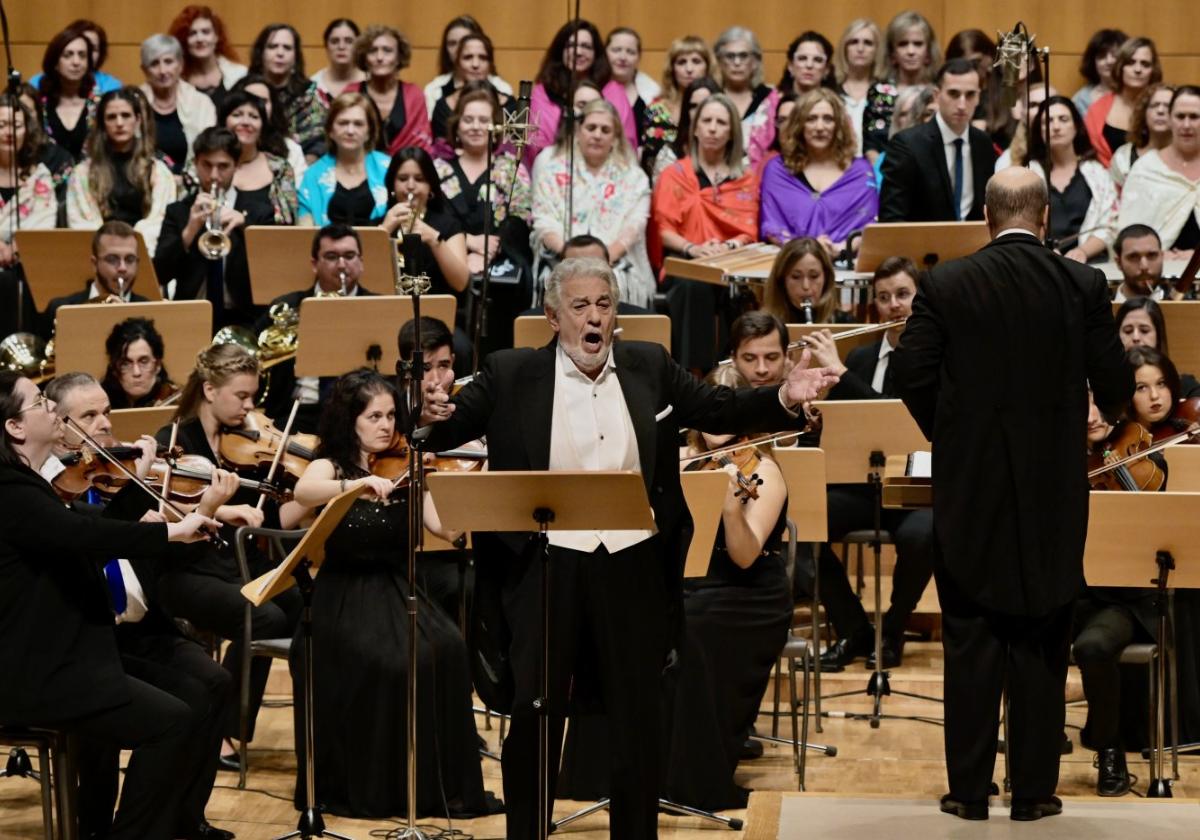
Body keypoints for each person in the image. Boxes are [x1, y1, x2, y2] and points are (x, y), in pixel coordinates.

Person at [418, 256, 839, 839]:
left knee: (637, 720)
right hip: (546, 568)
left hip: (633, 567)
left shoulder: (649, 366)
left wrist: (787, 397)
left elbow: (720, 408)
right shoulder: (511, 372)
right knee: (535, 715)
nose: (594, 318)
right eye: (580, 306)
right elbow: (439, 429)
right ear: (553, 316)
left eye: (605, 304)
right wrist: (424, 409)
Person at [891, 167, 1132, 821]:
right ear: (1047, 216)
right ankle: (1033, 792)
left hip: (970, 488)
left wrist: (954, 431)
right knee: (1042, 635)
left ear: (988, 219)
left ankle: (968, 793)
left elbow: (907, 370)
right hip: (1054, 487)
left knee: (970, 636)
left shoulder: (947, 282)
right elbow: (1115, 379)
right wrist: (1103, 415)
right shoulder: (1081, 283)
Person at [559, 360, 794, 810]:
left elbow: (745, 556)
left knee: (688, 635)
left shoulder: (765, 472)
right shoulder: (684, 457)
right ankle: (612, 772)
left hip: (746, 594)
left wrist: (727, 505)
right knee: (619, 629)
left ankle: (686, 778)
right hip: (690, 583)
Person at [0, 371, 218, 840]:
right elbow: (82, 535)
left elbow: (88, 529)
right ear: (15, 427)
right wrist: (169, 531)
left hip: (72, 658)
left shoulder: (27, 486)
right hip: (40, 672)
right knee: (172, 723)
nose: (51, 407)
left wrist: (158, 511)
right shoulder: (9, 490)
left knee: (189, 703)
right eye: (39, 401)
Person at [286, 368, 495, 818]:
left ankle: (425, 785)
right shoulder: (331, 464)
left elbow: (444, 527)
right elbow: (304, 491)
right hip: (343, 597)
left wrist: (479, 492)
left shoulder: (409, 466)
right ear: (350, 421)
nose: (386, 426)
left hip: (398, 587)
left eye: (390, 416)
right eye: (374, 416)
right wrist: (356, 484)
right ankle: (376, 786)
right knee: (395, 662)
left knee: (450, 649)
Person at [154, 342, 303, 773]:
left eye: (253, 396)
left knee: (303, 603)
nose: (249, 406)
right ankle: (222, 728)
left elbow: (273, 514)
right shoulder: (176, 441)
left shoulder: (245, 444)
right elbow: (163, 506)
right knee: (265, 617)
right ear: (209, 390)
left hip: (237, 565)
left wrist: (314, 495)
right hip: (185, 570)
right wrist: (221, 508)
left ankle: (319, 725)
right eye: (241, 396)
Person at [794, 257, 935, 669]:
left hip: (913, 487)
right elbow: (847, 430)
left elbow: (899, 422)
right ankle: (855, 630)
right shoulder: (861, 359)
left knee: (923, 537)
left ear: (920, 298)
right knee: (801, 526)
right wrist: (818, 419)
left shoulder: (934, 359)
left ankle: (892, 630)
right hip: (860, 484)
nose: (894, 305)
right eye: (884, 297)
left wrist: (838, 371)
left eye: (903, 295)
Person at [1075, 391, 1158, 797]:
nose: (1090, 416)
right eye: (1079, 403)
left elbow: (1153, 533)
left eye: (1097, 404)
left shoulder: (1144, 455)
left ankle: (1111, 751)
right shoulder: (1057, 460)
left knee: (1093, 647)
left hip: (1121, 598)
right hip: (1068, 588)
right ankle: (1031, 746)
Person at [653, 92, 759, 373]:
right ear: (695, 128)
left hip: (732, 266)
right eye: (707, 121)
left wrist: (729, 248)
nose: (713, 128)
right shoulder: (673, 174)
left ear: (732, 131)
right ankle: (695, 377)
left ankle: (735, 373)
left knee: (740, 292)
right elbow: (663, 230)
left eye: (721, 122)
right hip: (685, 264)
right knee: (695, 286)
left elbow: (749, 230)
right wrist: (694, 249)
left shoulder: (745, 179)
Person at [434, 84, 533, 354]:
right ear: (457, 125)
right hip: (446, 265)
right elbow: (432, 218)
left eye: (484, 120)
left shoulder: (511, 168)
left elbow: (520, 218)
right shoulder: (437, 168)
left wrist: (489, 253)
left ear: (497, 127)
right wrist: (466, 245)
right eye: (468, 119)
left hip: (501, 270)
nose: (476, 127)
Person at [253, 224, 377, 432]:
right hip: (298, 411)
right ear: (314, 264)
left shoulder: (380, 307)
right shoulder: (286, 307)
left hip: (361, 412)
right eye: (331, 256)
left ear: (361, 262)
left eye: (349, 255)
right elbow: (254, 354)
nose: (341, 264)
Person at [531, 98, 654, 308]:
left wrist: (602, 260)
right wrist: (572, 256)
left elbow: (635, 226)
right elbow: (544, 221)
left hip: (615, 262)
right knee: (559, 281)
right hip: (562, 259)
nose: (597, 135)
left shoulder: (635, 178)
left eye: (605, 130)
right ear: (578, 132)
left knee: (614, 281)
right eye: (591, 128)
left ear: (615, 138)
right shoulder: (552, 171)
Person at [154, 127, 261, 327]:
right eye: (207, 165)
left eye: (223, 166)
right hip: (191, 317)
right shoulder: (178, 212)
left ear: (236, 165)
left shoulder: (257, 212)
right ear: (195, 163)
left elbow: (270, 271)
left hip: (244, 318)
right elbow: (160, 272)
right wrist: (189, 231)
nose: (214, 176)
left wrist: (246, 228)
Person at [760, 88, 878, 255]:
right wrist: (808, 251)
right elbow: (771, 226)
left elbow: (869, 226)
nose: (820, 127)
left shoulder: (860, 171)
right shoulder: (777, 169)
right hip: (791, 265)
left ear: (839, 125)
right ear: (799, 124)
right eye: (811, 119)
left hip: (846, 266)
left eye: (828, 119)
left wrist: (838, 249)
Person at [880, 58, 996, 222]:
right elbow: (891, 218)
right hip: (922, 245)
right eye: (953, 94)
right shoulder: (907, 145)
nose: (962, 104)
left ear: (978, 97)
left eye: (970, 95)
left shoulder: (983, 143)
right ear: (937, 95)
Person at [66, 87, 178, 255]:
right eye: (111, 117)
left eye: (126, 115)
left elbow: (160, 222)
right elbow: (80, 223)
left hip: (145, 255)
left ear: (138, 120)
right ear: (103, 124)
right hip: (99, 256)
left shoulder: (158, 171)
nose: (119, 123)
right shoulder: (82, 173)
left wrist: (130, 248)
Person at [525, 20, 638, 169]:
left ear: (595, 53)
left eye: (586, 46)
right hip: (553, 171)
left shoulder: (613, 91)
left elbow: (626, 144)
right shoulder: (542, 92)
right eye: (571, 45)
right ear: (560, 51)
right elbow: (534, 144)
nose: (578, 52)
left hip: (607, 172)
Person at [1026, 96, 1117, 262]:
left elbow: (1110, 225)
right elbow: (1020, 224)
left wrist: (1082, 251)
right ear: (1040, 131)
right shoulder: (1029, 174)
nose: (1056, 127)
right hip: (1042, 263)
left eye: (1063, 119)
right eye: (1048, 121)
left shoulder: (1097, 173)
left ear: (1076, 126)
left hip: (1092, 263)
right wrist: (1045, 250)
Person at [1118, 86, 1200, 258]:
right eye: (1180, 116)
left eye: (1194, 117)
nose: (1186, 125)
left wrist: (1194, 258)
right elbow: (1129, 233)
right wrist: (1156, 255)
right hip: (1155, 272)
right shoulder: (1146, 168)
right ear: (1169, 119)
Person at [0, 93, 58, 336]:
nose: (9, 132)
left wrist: (15, 246)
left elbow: (44, 221)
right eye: (1, 125)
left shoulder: (40, 175)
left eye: (17, 125)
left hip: (27, 262)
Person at [42, 221, 150, 339]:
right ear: (94, 264)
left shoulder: (151, 312)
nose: (122, 268)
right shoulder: (61, 309)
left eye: (130, 259)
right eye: (112, 259)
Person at [297, 92, 390, 227]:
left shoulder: (389, 168)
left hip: (381, 247)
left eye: (358, 124)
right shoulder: (312, 176)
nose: (350, 131)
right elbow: (304, 236)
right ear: (330, 130)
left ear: (369, 131)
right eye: (343, 123)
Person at [747, 32, 836, 170]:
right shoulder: (772, 103)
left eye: (818, 60)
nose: (809, 65)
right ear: (790, 66)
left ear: (827, 70)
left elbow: (845, 148)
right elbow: (756, 154)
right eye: (802, 58)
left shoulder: (836, 106)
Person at [862, 11, 941, 162]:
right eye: (903, 44)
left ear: (928, 51)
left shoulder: (939, 91)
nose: (911, 51)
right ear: (892, 53)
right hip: (887, 172)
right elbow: (870, 147)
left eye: (918, 44)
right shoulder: (879, 92)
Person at [343, 24, 432, 154]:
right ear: (364, 58)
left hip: (404, 170)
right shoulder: (351, 92)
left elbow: (421, 146)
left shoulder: (414, 95)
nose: (379, 57)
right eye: (372, 51)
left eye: (387, 51)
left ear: (399, 58)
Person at [217, 90, 299, 225]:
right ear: (223, 122)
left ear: (263, 127)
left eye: (254, 117)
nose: (245, 122)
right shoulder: (206, 162)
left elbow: (289, 222)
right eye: (237, 115)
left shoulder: (280, 168)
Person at [139, 34, 217, 176]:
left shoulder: (201, 104)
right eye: (154, 64)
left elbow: (209, 153)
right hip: (143, 184)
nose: (162, 71)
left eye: (168, 62)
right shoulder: (134, 102)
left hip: (190, 184)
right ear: (144, 70)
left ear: (180, 65)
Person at [247, 23, 326, 160]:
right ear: (261, 53)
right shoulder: (245, 91)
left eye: (287, 48)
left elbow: (317, 143)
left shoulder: (309, 95)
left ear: (296, 57)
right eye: (273, 47)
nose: (280, 53)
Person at [639, 35, 715, 175]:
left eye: (696, 61)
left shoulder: (718, 109)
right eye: (681, 62)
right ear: (672, 69)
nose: (689, 68)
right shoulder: (654, 110)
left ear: (708, 67)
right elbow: (645, 157)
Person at [1085, 37, 1162, 168]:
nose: (1138, 69)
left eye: (1145, 64)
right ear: (1120, 67)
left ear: (1153, 71)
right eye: (1131, 62)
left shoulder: (1163, 107)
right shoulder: (1097, 109)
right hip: (1107, 181)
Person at [429, 32, 514, 149]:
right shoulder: (443, 106)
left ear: (490, 64)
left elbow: (513, 150)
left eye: (483, 58)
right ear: (457, 62)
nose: (475, 64)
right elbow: (440, 151)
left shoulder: (509, 105)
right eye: (468, 57)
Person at [35, 22, 106, 161]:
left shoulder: (100, 104)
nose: (76, 62)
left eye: (82, 55)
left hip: (90, 179)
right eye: (68, 55)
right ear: (55, 62)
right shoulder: (38, 104)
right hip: (46, 178)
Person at [1115, 296, 1200, 396]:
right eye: (1128, 331)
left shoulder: (1186, 388)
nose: (1136, 337)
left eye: (1144, 330)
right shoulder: (1102, 387)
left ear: (1158, 337)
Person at [230, 73, 307, 181]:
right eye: (249, 99)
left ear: (273, 106)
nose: (256, 107)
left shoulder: (291, 149)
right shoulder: (217, 146)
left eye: (263, 101)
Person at [761, 236, 855, 325]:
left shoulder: (844, 323)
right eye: (796, 277)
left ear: (826, 278)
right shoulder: (764, 328)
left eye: (814, 276)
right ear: (781, 280)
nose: (806, 286)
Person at [168, 6, 248, 110]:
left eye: (205, 32)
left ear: (216, 37)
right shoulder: (174, 80)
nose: (199, 39)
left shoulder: (240, 75)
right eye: (192, 33)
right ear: (184, 40)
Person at [647, 77, 721, 181]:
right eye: (694, 106)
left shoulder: (737, 157)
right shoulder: (669, 155)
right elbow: (662, 194)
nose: (700, 112)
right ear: (686, 111)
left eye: (706, 104)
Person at [834, 19, 886, 155]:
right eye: (854, 42)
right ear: (845, 48)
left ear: (877, 50)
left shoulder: (886, 93)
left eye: (868, 43)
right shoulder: (830, 90)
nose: (860, 49)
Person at [100, 317, 178, 408]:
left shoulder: (177, 404)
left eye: (144, 362)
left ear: (157, 365)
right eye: (126, 364)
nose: (136, 372)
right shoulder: (100, 403)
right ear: (114, 368)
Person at [713, 26, 773, 141]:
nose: (737, 62)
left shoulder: (769, 98)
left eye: (743, 56)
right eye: (730, 56)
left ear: (755, 62)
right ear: (719, 61)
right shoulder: (710, 95)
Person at [1110, 84, 1172, 190]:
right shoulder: (1123, 157)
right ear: (1143, 114)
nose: (1160, 111)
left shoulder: (1192, 158)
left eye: (1168, 106)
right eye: (1154, 105)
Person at [606, 27, 661, 142]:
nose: (623, 57)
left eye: (630, 52)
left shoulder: (654, 94)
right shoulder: (593, 89)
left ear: (639, 57)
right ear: (605, 52)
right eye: (616, 50)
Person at [1073, 29, 1129, 117]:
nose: (1109, 61)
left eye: (1115, 55)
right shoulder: (1081, 99)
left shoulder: (1136, 93)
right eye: (1102, 56)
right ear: (1093, 62)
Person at [310, 18, 364, 103]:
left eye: (349, 41)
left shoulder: (370, 84)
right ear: (326, 46)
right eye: (335, 41)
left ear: (358, 46)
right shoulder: (313, 86)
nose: (341, 46)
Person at [1112, 223, 1168, 302]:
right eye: (1133, 257)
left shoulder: (1185, 308)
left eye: (1152, 255)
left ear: (1162, 257)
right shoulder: (1101, 310)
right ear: (1119, 263)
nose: (1144, 266)